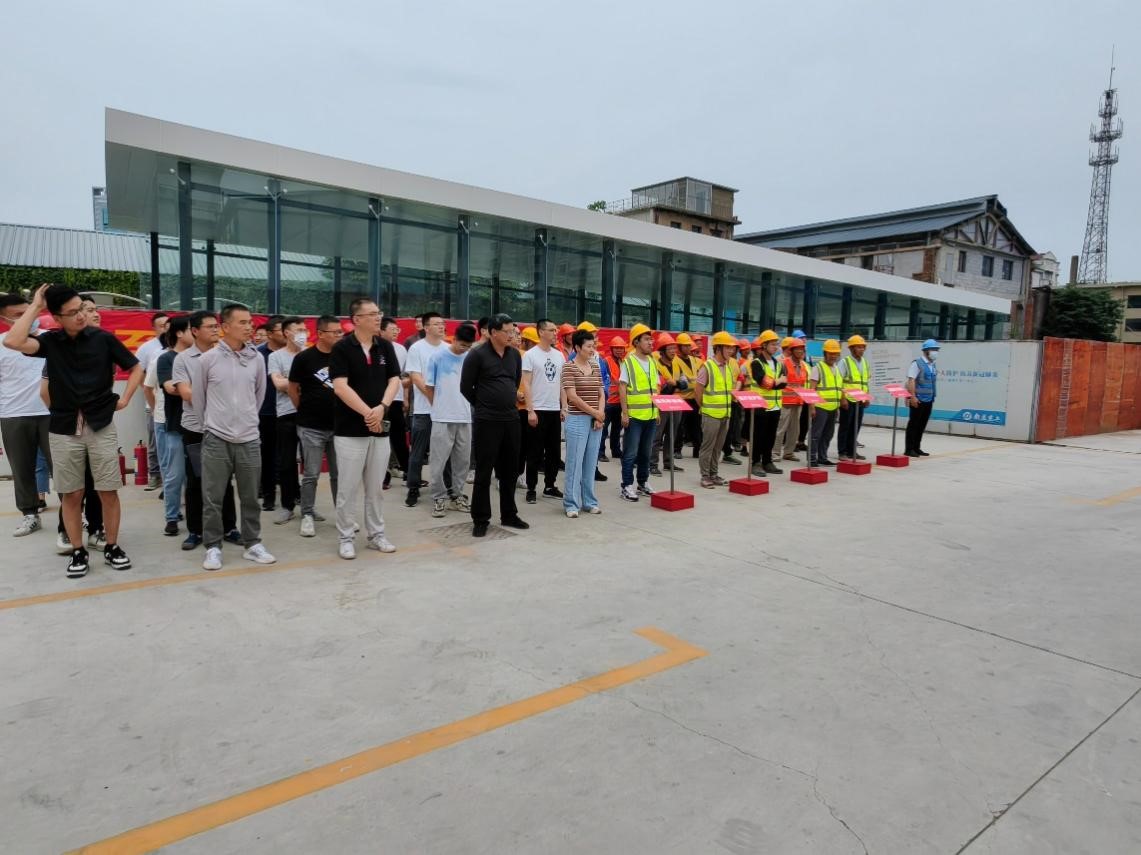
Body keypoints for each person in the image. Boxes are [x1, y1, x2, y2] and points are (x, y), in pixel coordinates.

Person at [3, 284, 142, 577]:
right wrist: (36, 306)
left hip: (100, 425)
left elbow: (136, 367)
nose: (80, 316)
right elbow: (13, 341)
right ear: (56, 317)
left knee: (107, 490)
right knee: (71, 493)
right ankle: (78, 551)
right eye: (72, 312)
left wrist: (126, 398)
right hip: (64, 428)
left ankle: (112, 546)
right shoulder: (50, 342)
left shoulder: (104, 339)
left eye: (82, 309)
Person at [194, 305, 276, 572]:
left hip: (249, 438)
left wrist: (247, 420)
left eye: (250, 322)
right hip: (216, 437)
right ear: (225, 327)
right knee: (213, 497)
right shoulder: (208, 359)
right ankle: (213, 547)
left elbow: (259, 395)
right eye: (242, 322)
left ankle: (252, 543)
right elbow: (199, 399)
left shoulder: (256, 358)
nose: (249, 327)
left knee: (250, 496)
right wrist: (212, 425)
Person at [329, 298, 401, 559]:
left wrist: (382, 407)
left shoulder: (385, 346)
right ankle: (346, 537)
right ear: (356, 319)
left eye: (378, 313)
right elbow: (340, 387)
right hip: (350, 430)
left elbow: (394, 379)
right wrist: (367, 413)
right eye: (371, 314)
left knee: (375, 488)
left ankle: (376, 534)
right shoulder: (342, 348)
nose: (378, 317)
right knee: (347, 488)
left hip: (380, 427)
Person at [173, 310, 240, 551]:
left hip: (224, 427)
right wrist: (219, 397)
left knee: (225, 480)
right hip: (196, 428)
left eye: (216, 326)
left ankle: (229, 527)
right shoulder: (183, 360)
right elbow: (186, 393)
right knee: (196, 480)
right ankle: (195, 531)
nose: (215, 330)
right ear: (194, 331)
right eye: (209, 326)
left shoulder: (227, 355)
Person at [461, 313, 528, 537]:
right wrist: (483, 405)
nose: (511, 336)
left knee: (509, 471)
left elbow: (515, 382)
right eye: (507, 332)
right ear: (493, 332)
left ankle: (509, 514)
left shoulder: (514, 355)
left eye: (513, 332)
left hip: (511, 419)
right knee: (484, 471)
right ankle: (481, 519)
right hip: (487, 421)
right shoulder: (477, 354)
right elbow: (465, 387)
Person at [0, 291, 52, 538]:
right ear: (4, 319)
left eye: (28, 311)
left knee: (64, 467)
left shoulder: (51, 339)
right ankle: (30, 514)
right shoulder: (3, 344)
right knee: (22, 469)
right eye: (18, 315)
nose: (27, 317)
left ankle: (76, 514)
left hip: (52, 413)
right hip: (14, 414)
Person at [288, 314, 342, 537]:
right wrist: (304, 409)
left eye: (340, 332)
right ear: (320, 333)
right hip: (311, 426)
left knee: (339, 474)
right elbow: (292, 388)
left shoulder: (343, 356)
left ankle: (342, 515)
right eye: (335, 332)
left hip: (339, 426)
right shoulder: (304, 358)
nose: (339, 336)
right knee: (311, 474)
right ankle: (307, 514)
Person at [424, 322, 476, 518]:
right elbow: (429, 386)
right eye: (462, 345)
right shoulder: (438, 357)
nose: (464, 349)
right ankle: (439, 498)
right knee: (438, 462)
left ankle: (457, 496)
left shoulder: (471, 358)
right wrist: (437, 407)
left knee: (462, 461)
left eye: (468, 346)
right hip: (442, 417)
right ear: (454, 339)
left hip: (464, 417)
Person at [404, 311, 447, 507]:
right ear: (426, 327)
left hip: (445, 411)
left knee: (445, 452)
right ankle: (413, 487)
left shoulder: (448, 348)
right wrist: (433, 398)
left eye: (442, 323)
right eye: (436, 324)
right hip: (423, 410)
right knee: (418, 452)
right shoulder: (417, 348)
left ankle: (446, 487)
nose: (441, 326)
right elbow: (415, 377)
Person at [561, 329, 605, 517]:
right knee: (574, 463)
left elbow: (601, 392)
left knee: (590, 463)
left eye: (593, 345)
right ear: (577, 348)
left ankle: (589, 501)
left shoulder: (595, 365)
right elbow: (572, 397)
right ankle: (571, 504)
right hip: (577, 419)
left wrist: (599, 415)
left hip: (595, 421)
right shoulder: (568, 367)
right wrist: (595, 413)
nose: (592, 349)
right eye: (588, 346)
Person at [267, 317, 306, 524]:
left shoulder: (310, 354)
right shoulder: (276, 357)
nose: (303, 333)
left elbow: (321, 383)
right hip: (286, 413)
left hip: (310, 414)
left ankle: (308, 506)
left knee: (311, 462)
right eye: (299, 330)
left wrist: (289, 381)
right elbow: (278, 384)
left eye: (305, 329)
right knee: (287, 461)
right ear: (287, 333)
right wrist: (302, 382)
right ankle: (287, 505)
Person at [521, 318, 565, 504]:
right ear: (541, 332)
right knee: (534, 452)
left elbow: (562, 383)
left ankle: (550, 486)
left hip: (554, 409)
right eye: (552, 330)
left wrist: (564, 407)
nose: (555, 333)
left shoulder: (559, 355)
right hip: (537, 409)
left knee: (554, 452)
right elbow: (526, 384)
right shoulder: (530, 355)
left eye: (556, 330)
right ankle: (531, 488)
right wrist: (530, 410)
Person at [155, 317, 191, 536]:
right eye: (191, 329)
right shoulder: (166, 359)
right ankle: (171, 517)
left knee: (197, 477)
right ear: (179, 333)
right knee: (175, 475)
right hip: (176, 426)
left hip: (201, 427)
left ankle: (196, 518)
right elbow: (170, 388)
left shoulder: (201, 357)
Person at [618, 323, 661, 502]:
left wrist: (657, 411)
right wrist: (625, 413)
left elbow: (656, 388)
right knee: (630, 453)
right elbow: (622, 387)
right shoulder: (628, 362)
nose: (651, 342)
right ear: (636, 342)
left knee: (645, 453)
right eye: (646, 339)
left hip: (650, 415)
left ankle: (642, 482)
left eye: (651, 339)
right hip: (634, 417)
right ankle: (626, 485)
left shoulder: (652, 361)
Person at [696, 331, 741, 489]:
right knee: (707, 447)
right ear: (718, 348)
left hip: (725, 414)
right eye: (728, 347)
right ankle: (705, 476)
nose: (731, 350)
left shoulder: (728, 367)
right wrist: (705, 407)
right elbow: (698, 392)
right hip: (710, 414)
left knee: (718, 447)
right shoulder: (707, 366)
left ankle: (714, 474)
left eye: (732, 348)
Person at [135, 312, 170, 490]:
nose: (165, 328)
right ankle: (155, 475)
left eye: (167, 325)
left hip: (173, 407)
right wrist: (148, 389)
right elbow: (138, 372)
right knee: (155, 442)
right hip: (154, 404)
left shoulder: (179, 348)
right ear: (154, 328)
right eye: (161, 325)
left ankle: (170, 480)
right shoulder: (148, 348)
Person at [256, 315, 285, 511]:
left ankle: (293, 493)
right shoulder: (258, 354)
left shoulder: (294, 354)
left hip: (289, 411)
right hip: (265, 411)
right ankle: (268, 495)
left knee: (288, 456)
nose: (286, 334)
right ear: (269, 333)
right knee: (266, 455)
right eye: (281, 330)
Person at [749, 329, 786, 476]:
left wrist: (775, 382)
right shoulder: (756, 363)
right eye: (772, 344)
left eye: (776, 344)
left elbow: (784, 383)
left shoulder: (778, 364)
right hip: (761, 406)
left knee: (771, 436)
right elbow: (764, 382)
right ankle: (755, 463)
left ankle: (767, 461)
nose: (776, 347)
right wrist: (777, 381)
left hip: (775, 406)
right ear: (764, 345)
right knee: (759, 436)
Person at [379, 317, 409, 490]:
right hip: (378, 401)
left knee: (399, 438)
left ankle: (408, 472)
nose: (396, 332)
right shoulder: (375, 348)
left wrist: (405, 397)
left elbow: (404, 376)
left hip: (396, 400)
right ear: (381, 331)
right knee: (380, 438)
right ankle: (384, 475)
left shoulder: (401, 349)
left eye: (397, 329)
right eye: (392, 329)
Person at [650, 332, 683, 477]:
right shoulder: (655, 364)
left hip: (676, 402)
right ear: (662, 351)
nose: (673, 351)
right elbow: (663, 386)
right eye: (670, 349)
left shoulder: (677, 363)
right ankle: (652, 464)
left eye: (674, 348)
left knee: (672, 434)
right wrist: (675, 384)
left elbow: (684, 384)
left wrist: (674, 384)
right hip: (661, 403)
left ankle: (669, 462)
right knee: (657, 435)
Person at [809, 339, 843, 466]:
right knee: (816, 434)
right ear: (825, 353)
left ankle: (822, 457)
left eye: (836, 353)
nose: (833, 356)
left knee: (828, 434)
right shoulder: (817, 368)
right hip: (820, 407)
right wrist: (812, 407)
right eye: (830, 353)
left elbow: (837, 389)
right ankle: (812, 459)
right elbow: (811, 389)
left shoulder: (836, 369)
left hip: (833, 407)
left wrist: (838, 406)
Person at [837, 334, 870, 462]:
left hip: (860, 400)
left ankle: (851, 451)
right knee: (845, 426)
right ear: (851, 348)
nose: (861, 349)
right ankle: (842, 452)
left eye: (863, 347)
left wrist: (866, 397)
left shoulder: (865, 362)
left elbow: (865, 382)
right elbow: (839, 382)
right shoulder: (844, 362)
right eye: (858, 347)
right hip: (848, 399)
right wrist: (842, 398)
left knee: (856, 426)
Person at [905, 339, 940, 457]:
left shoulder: (932, 365)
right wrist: (912, 397)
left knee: (921, 425)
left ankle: (917, 447)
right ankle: (909, 449)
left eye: (937, 350)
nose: (936, 352)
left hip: (929, 399)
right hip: (918, 399)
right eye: (934, 349)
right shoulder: (917, 363)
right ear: (926, 351)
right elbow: (911, 380)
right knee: (913, 424)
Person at [777, 337, 809, 462]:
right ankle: (775, 453)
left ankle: (788, 453)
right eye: (797, 349)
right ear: (791, 350)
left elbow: (802, 383)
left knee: (795, 430)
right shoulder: (784, 363)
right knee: (781, 429)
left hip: (798, 401)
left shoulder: (803, 365)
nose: (800, 351)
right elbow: (779, 381)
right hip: (785, 401)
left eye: (802, 349)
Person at [674, 332, 702, 458]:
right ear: (679, 347)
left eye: (689, 345)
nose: (688, 348)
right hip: (682, 398)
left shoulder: (694, 360)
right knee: (679, 426)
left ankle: (698, 450)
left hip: (694, 397)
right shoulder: (675, 361)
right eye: (685, 346)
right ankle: (677, 449)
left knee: (697, 425)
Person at [600, 336, 626, 462]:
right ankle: (600, 452)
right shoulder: (606, 361)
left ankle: (616, 450)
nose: (619, 350)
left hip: (619, 401)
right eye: (616, 348)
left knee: (616, 428)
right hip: (609, 401)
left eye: (621, 348)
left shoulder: (624, 362)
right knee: (603, 429)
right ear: (611, 349)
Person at [792, 329, 811, 451]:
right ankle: (792, 442)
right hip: (795, 395)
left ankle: (801, 441)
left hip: (806, 394)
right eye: (801, 338)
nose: (804, 340)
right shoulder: (788, 360)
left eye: (804, 338)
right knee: (795, 421)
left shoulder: (807, 357)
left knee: (805, 420)